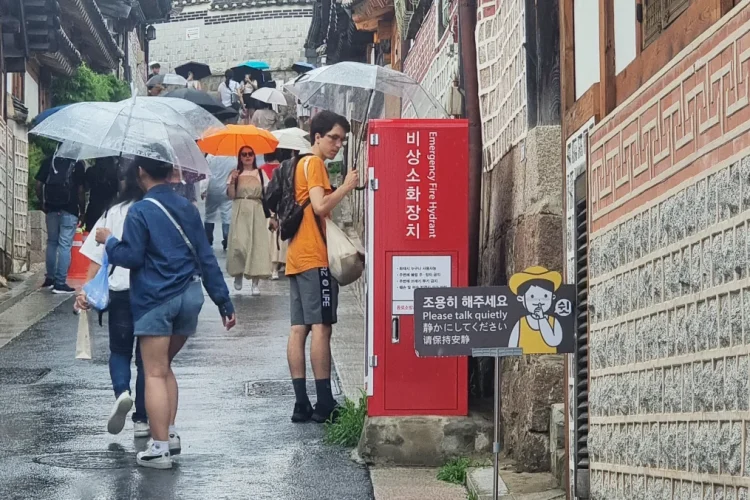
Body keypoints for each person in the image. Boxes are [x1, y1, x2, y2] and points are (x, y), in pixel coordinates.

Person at [96, 156, 236, 469]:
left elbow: (131, 256)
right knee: (165, 367)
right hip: (190, 296)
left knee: (155, 372)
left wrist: (110, 241)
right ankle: (169, 434)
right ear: (171, 172)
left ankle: (159, 448)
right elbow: (206, 257)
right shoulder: (187, 207)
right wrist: (224, 301)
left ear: (141, 172)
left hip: (156, 298)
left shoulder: (140, 210)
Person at [286, 111, 359, 423]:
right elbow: (319, 206)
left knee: (298, 328)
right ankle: (325, 402)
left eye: (342, 140)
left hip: (296, 256)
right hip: (315, 256)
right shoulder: (313, 163)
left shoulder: (297, 164)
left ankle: (301, 403)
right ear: (316, 136)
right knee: (321, 328)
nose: (338, 145)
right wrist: (346, 186)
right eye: (333, 137)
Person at [76, 160, 149, 439]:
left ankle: (122, 392)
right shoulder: (152, 210)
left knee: (119, 351)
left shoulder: (112, 213)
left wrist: (86, 291)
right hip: (148, 292)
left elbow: (95, 259)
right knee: (146, 360)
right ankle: (141, 419)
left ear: (125, 183)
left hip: (118, 291)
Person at [35, 155, 86, 294]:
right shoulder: (77, 164)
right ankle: (60, 283)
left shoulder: (49, 161)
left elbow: (38, 185)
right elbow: (81, 191)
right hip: (70, 210)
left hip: (51, 208)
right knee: (65, 244)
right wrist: (82, 210)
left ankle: (50, 279)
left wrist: (43, 203)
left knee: (51, 242)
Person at [226, 146, 272, 294]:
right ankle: (238, 273)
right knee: (239, 243)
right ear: (240, 157)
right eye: (244, 154)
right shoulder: (235, 174)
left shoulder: (261, 173)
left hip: (256, 209)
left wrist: (272, 215)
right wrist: (232, 181)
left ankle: (255, 283)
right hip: (240, 209)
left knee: (256, 245)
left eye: (250, 154)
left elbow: (267, 194)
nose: (247, 157)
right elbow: (231, 195)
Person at [260, 149, 291, 280]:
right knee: (281, 238)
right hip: (282, 206)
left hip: (268, 207)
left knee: (270, 236)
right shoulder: (284, 168)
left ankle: (271, 265)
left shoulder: (261, 169)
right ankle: (282, 262)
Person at [202, 155, 234, 250]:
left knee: (209, 215)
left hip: (212, 189)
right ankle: (227, 238)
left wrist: (203, 190)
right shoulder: (233, 157)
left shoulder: (210, 157)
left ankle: (208, 239)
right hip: (226, 189)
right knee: (227, 215)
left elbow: (205, 174)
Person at [84, 157, 119, 232]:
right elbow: (121, 190)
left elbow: (86, 188)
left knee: (90, 234)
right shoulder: (115, 173)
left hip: (93, 208)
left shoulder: (91, 171)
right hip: (109, 208)